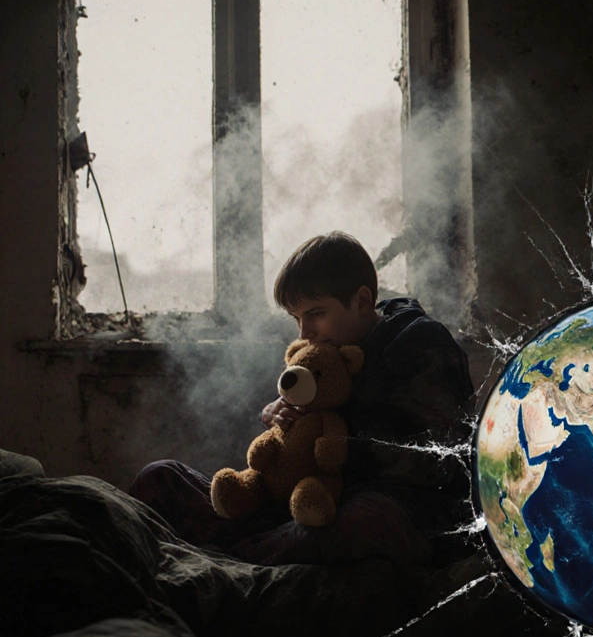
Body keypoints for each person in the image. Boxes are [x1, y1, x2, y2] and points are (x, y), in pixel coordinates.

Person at [129, 231, 476, 566]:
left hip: (403, 506)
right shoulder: (333, 346)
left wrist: (327, 447)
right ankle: (266, 540)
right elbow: (309, 408)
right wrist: (279, 416)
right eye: (297, 318)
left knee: (368, 520)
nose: (304, 332)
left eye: (316, 314)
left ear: (362, 301)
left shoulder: (422, 345)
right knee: (159, 478)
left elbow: (437, 463)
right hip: (305, 499)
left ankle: (244, 552)